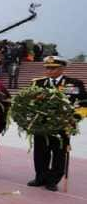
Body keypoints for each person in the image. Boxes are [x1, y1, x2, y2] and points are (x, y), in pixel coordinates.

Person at [27, 56, 86, 191]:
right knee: (40, 152)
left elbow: (84, 105)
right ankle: (40, 177)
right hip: (41, 124)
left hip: (62, 124)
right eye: (47, 68)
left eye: (53, 68)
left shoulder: (74, 83)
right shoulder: (37, 83)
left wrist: (74, 118)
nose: (49, 71)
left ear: (62, 68)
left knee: (59, 152)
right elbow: (29, 103)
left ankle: (53, 180)